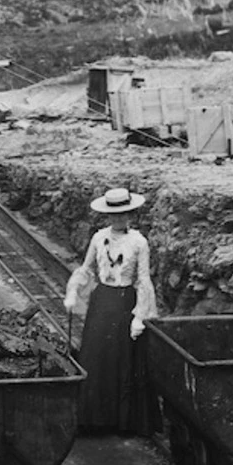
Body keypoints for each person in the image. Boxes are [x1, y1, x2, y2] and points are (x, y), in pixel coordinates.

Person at [63, 187, 160, 436]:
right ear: (107, 216)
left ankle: (123, 421)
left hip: (125, 301)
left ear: (131, 214)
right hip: (102, 300)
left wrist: (140, 315)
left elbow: (143, 280)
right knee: (96, 356)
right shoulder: (98, 238)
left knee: (123, 359)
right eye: (114, 215)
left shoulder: (139, 242)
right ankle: (94, 419)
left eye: (124, 214)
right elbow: (86, 268)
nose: (119, 219)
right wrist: (73, 291)